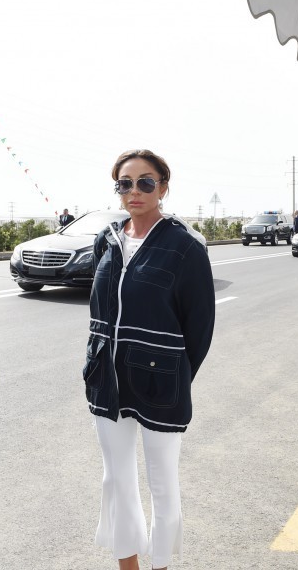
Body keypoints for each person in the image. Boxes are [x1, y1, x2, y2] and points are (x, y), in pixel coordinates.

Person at [84, 149, 215, 570]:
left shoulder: (184, 245)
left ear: (163, 187)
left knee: (163, 483)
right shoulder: (107, 239)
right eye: (125, 183)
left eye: (145, 182)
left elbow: (199, 328)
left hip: (161, 381)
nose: (135, 191)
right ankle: (128, 565)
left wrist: (173, 372)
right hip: (107, 378)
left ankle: (160, 564)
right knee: (116, 478)